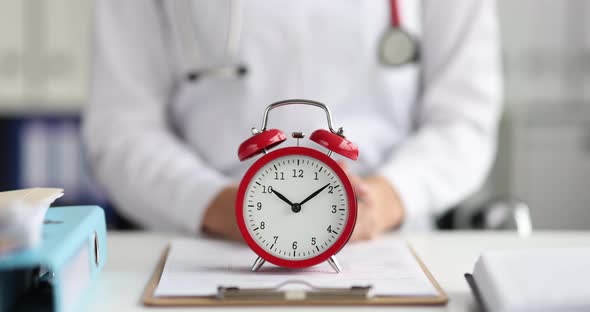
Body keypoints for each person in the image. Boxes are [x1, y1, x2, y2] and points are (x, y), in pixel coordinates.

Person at [84, 0, 502, 240]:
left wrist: (385, 200)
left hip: (386, 238)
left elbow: (464, 120)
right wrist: (209, 203)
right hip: (202, 237)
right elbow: (121, 127)